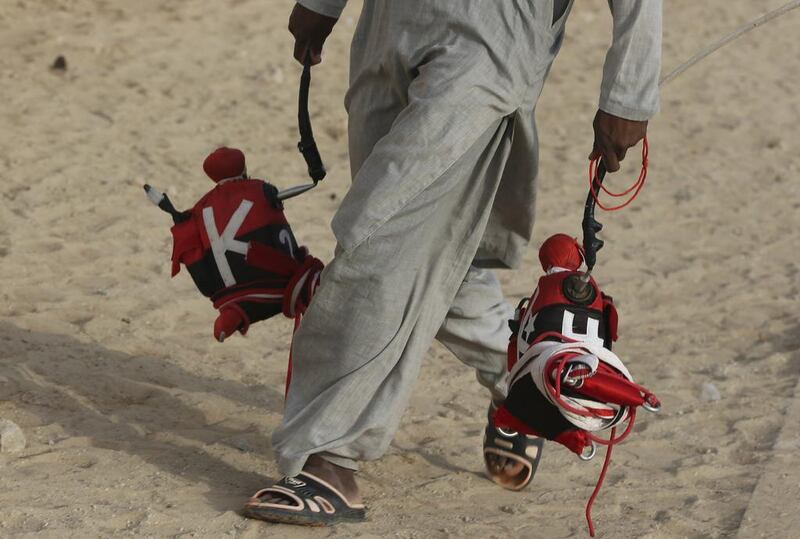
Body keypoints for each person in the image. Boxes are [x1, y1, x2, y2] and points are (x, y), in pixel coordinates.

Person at [243, 0, 661, 525]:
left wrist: (629, 92)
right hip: (389, 22)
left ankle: (330, 460)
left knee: (381, 237)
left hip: (490, 37)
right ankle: (523, 383)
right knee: (433, 246)